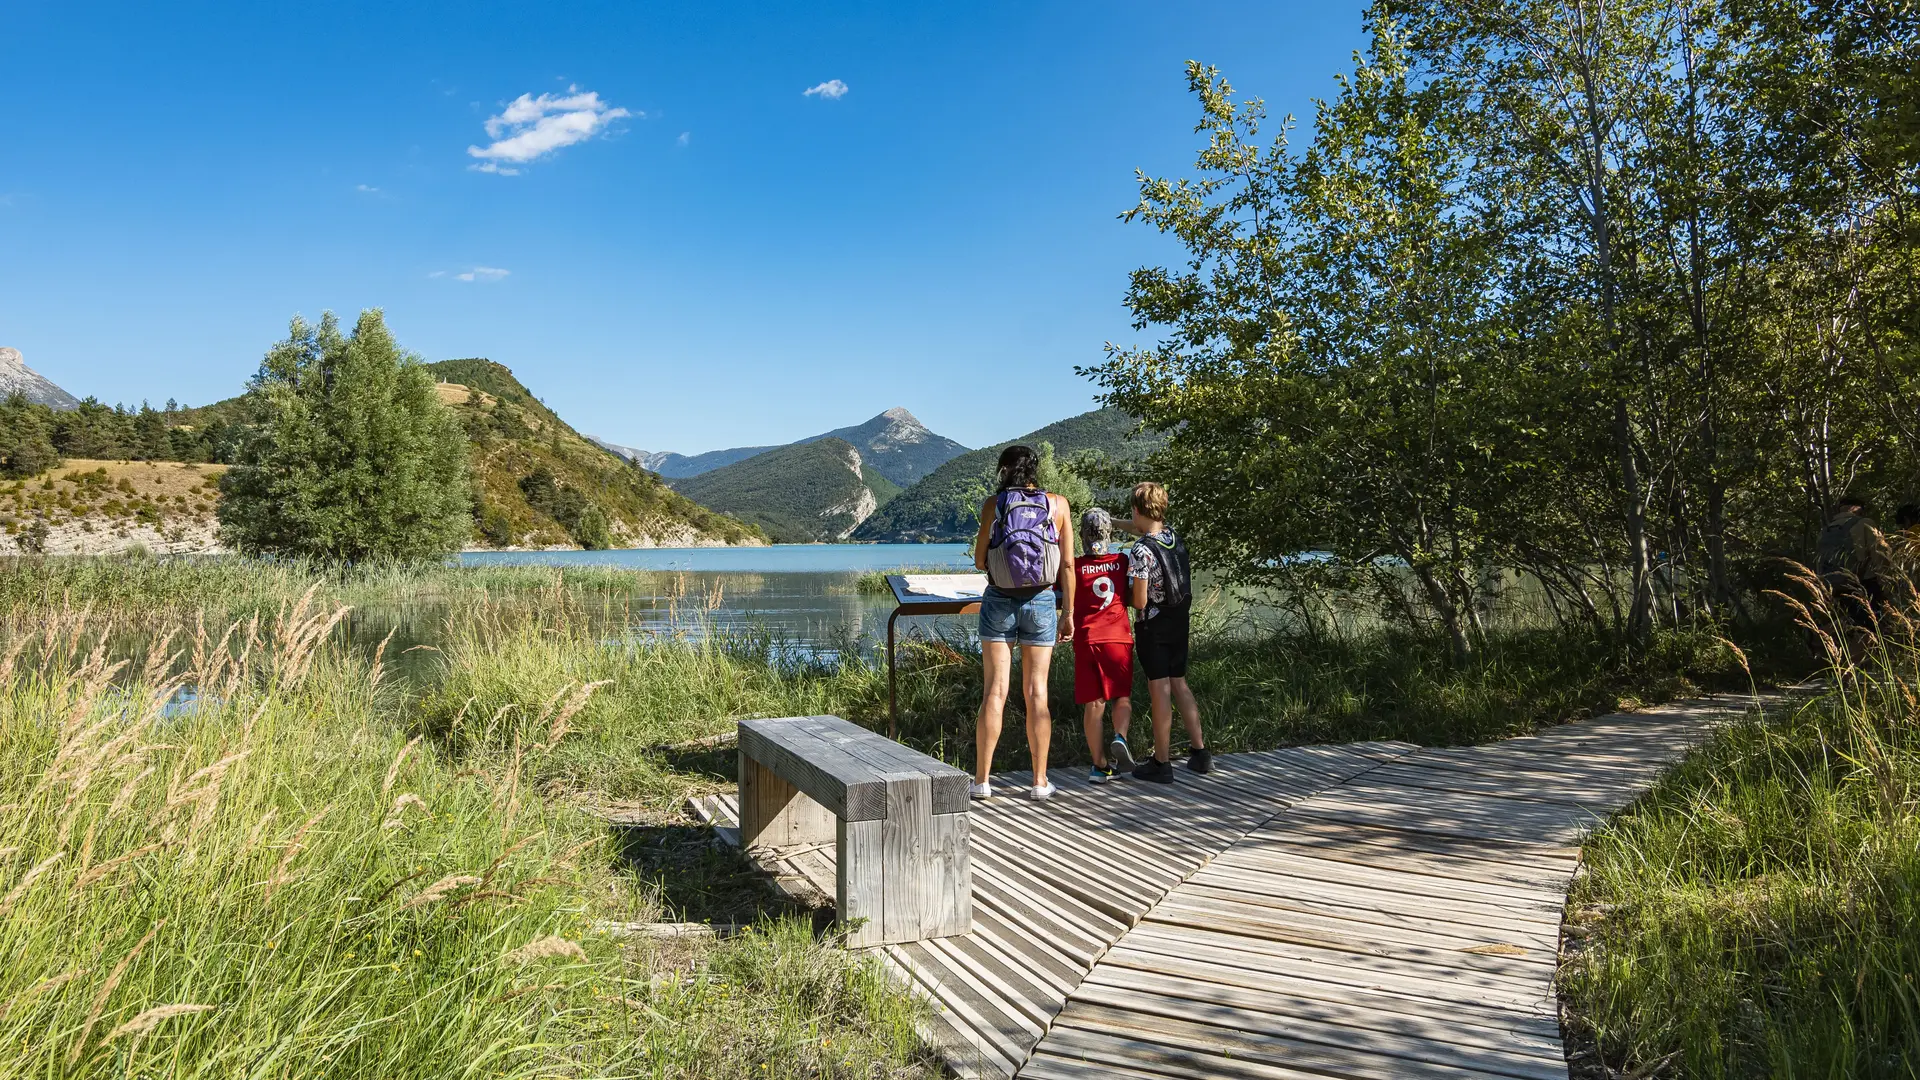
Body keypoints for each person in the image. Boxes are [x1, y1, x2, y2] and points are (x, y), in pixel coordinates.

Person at [970, 444, 1076, 801]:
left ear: (1004, 470)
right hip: (1043, 601)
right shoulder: (1058, 504)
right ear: (1035, 471)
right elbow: (1067, 566)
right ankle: (1039, 782)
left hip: (999, 600)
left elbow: (980, 559)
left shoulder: (994, 505)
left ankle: (982, 782)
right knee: (1037, 693)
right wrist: (1069, 614)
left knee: (995, 692)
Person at [1122, 481, 1208, 782]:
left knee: (1159, 689)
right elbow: (1145, 530)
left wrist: (1128, 590)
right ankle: (1200, 752)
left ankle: (1161, 761)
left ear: (1136, 510)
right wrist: (1118, 523)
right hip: (1179, 621)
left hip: (1153, 626)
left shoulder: (1141, 551)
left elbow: (1140, 600)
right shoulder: (1172, 536)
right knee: (1179, 683)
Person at [1071, 508, 1135, 784]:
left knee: (1094, 704)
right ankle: (1120, 736)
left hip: (1087, 640)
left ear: (1082, 535)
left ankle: (1099, 765)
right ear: (1109, 534)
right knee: (1122, 697)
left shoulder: (1074, 567)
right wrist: (1121, 523)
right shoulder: (1121, 561)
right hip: (1118, 639)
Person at [1816, 493, 1895, 657]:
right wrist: (1888, 581)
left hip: (1833, 585)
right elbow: (1881, 555)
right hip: (1863, 584)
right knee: (1868, 630)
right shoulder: (1864, 523)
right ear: (1860, 509)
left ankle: (1822, 632)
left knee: (1850, 622)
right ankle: (1847, 673)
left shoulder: (1826, 530)